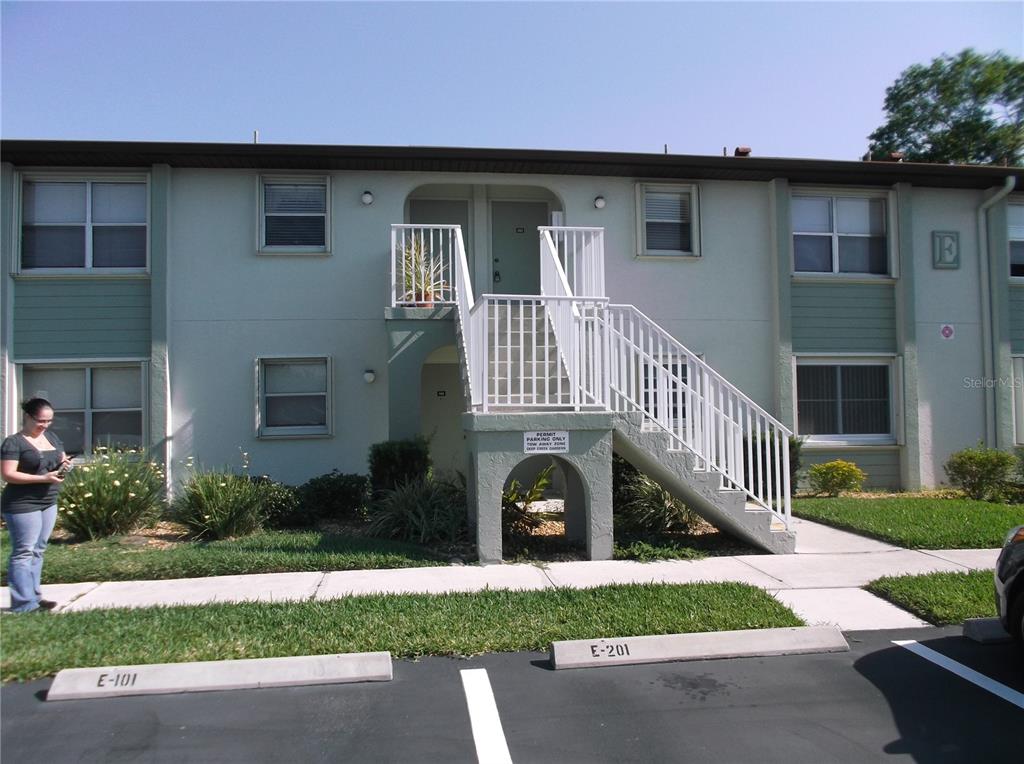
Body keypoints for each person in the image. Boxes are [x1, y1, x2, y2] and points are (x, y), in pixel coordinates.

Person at [1, 398, 72, 613]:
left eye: (49, 421)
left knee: (38, 550)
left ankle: (35, 596)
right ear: (28, 417)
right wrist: (43, 479)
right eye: (41, 421)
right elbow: (8, 474)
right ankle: (23, 604)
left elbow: (58, 461)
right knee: (23, 552)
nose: (45, 425)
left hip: (48, 501)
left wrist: (65, 466)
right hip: (22, 503)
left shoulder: (51, 437)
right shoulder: (14, 442)